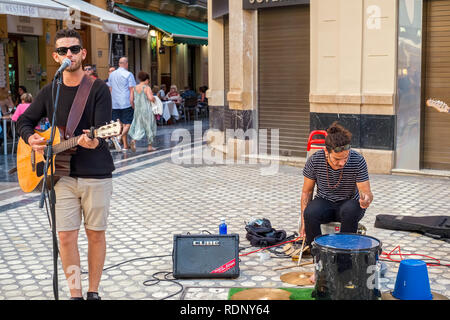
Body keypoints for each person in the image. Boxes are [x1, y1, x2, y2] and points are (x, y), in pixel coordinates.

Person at [17, 28, 114, 300]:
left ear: (83, 53)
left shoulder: (98, 89)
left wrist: (94, 140)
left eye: (73, 49)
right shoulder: (51, 91)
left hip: (95, 173)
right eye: (62, 50)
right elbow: (24, 121)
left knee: (95, 235)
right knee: (66, 238)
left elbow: (102, 132)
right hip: (61, 178)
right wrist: (31, 138)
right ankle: (75, 294)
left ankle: (93, 291)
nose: (68, 54)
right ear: (55, 55)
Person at [300, 122, 373, 271]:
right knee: (310, 213)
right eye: (337, 159)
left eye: (345, 158)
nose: (342, 162)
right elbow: (306, 192)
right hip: (324, 201)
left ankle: (344, 264)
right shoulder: (315, 160)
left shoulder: (357, 160)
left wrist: (366, 200)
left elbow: (366, 192)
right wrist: (303, 220)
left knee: (350, 210)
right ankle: (320, 262)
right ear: (326, 152)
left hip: (348, 202)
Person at [107, 57, 136, 151]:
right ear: (126, 64)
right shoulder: (128, 74)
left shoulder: (112, 75)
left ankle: (125, 145)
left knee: (120, 124)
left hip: (114, 102)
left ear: (119, 64)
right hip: (125, 102)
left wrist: (110, 101)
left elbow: (110, 89)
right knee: (128, 123)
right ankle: (119, 137)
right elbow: (132, 90)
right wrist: (132, 102)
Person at [129, 71, 157, 153]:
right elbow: (150, 98)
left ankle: (134, 140)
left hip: (138, 110)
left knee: (138, 126)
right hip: (146, 110)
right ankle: (150, 146)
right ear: (147, 79)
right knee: (149, 127)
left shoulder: (134, 88)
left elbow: (131, 100)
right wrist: (155, 99)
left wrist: (134, 107)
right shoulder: (146, 88)